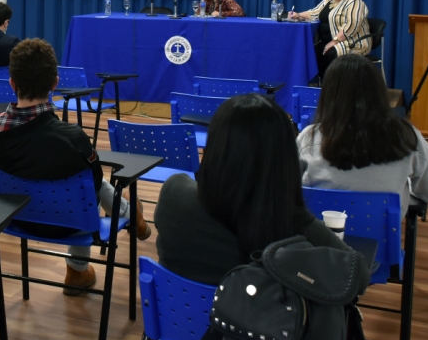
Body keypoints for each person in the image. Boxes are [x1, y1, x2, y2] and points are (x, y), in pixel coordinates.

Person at [0, 39, 150, 294]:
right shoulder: (71, 137)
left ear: (12, 83)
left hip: (16, 220)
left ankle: (127, 215)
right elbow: (92, 186)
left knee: (81, 182)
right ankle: (123, 219)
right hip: (70, 223)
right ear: (55, 83)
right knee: (91, 184)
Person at [154, 93, 371, 291]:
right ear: (284, 160)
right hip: (264, 331)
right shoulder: (291, 223)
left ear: (215, 149)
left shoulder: (174, 194)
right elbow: (358, 277)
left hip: (181, 327)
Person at [297, 54, 428, 219]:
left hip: (321, 241)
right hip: (383, 242)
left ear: (327, 94)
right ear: (379, 91)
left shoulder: (308, 138)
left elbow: (290, 194)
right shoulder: (406, 136)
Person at [290, 0, 370, 81]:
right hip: (328, 41)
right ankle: (322, 85)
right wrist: (298, 15)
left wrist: (335, 40)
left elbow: (352, 26)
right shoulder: (330, 0)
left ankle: (336, 86)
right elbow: (314, 12)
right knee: (311, 51)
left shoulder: (354, 1)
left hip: (352, 42)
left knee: (329, 52)